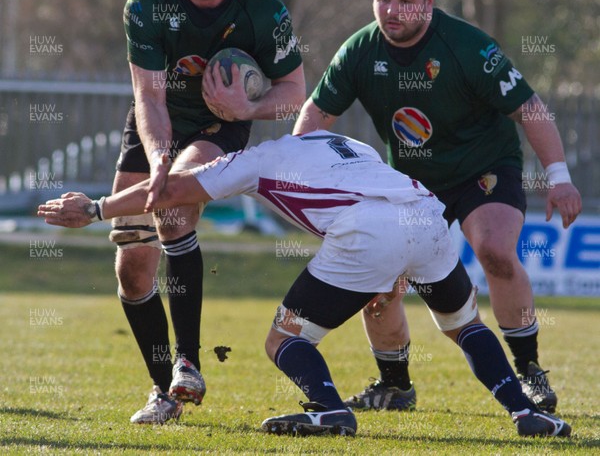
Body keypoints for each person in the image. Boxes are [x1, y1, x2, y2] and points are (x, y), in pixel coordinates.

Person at [38, 131, 572, 438]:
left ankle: (329, 409)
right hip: (425, 214)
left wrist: (96, 207)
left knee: (283, 340)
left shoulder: (251, 160)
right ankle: (526, 413)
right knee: (464, 326)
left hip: (368, 231)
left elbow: (172, 189)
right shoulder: (340, 140)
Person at [293, 0, 581, 414]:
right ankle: (394, 386)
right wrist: (294, 173)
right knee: (378, 276)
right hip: (412, 181)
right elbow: (315, 115)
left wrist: (560, 178)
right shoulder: (360, 50)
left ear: (429, 3)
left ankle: (528, 371)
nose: (392, 11)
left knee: (495, 250)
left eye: (406, 1)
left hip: (483, 168)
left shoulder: (467, 47)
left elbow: (530, 108)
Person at [113, 0, 304, 424]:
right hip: (156, 120)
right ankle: (164, 394)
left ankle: (189, 361)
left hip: (222, 124)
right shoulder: (147, 3)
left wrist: (251, 106)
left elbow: (294, 90)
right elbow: (148, 98)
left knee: (173, 210)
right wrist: (156, 161)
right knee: (132, 267)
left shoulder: (263, 9)